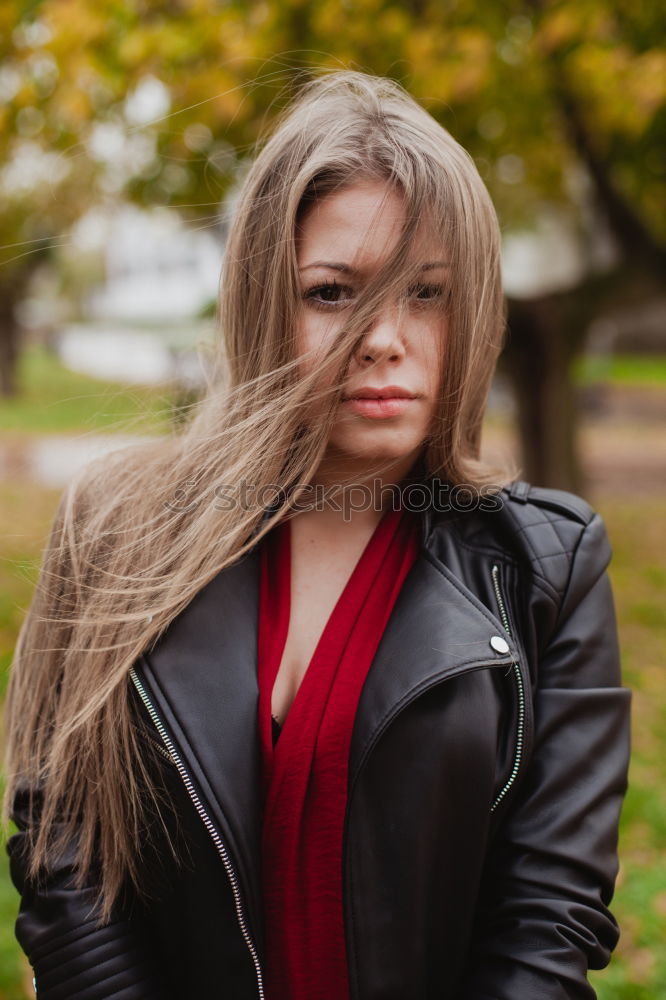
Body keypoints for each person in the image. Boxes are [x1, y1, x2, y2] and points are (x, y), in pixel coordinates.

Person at [3, 70, 631, 1000]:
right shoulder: (117, 530)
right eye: (333, 293)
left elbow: (549, 916)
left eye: (427, 293)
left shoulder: (546, 565)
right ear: (264, 301)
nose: (384, 338)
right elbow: (66, 858)